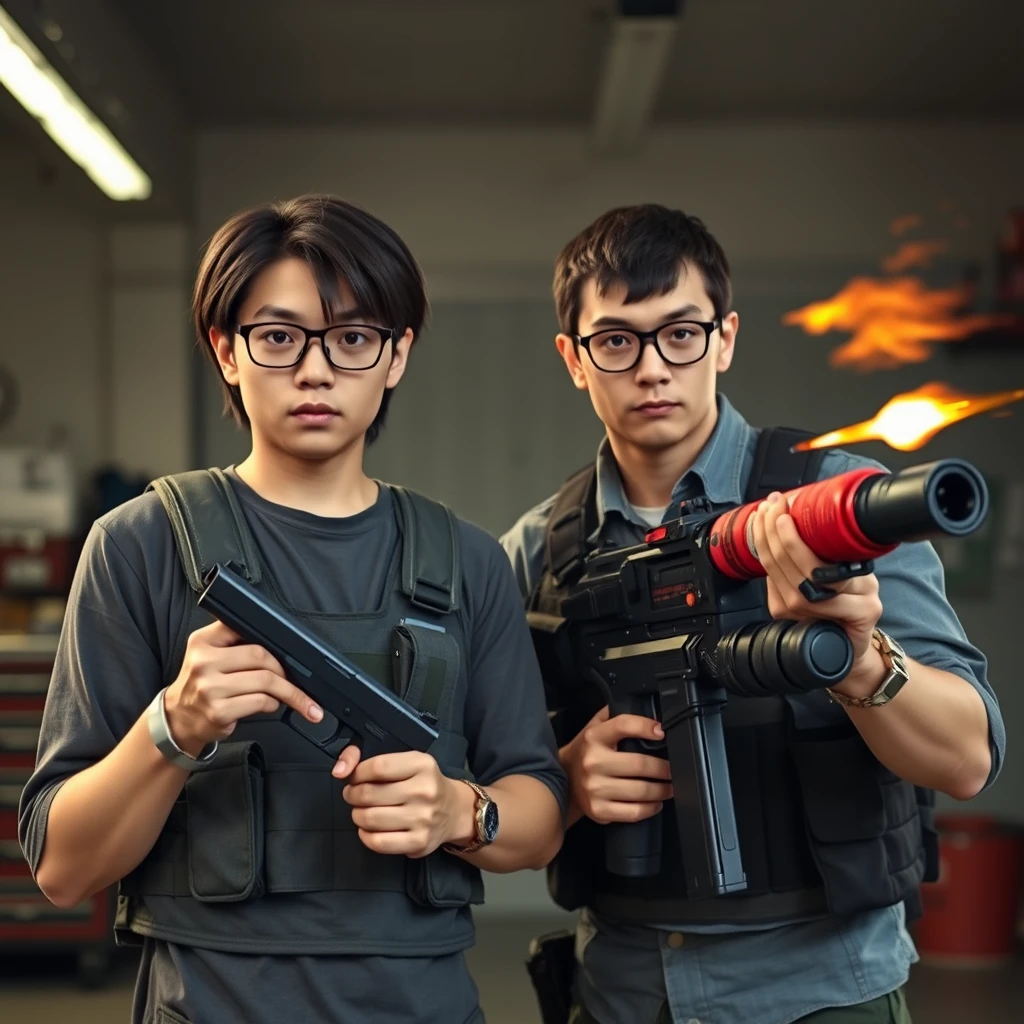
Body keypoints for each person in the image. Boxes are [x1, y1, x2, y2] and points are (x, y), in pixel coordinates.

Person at [19, 194, 567, 1024]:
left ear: (397, 357)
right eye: (278, 338)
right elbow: (62, 868)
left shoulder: (467, 562)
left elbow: (539, 820)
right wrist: (173, 726)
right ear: (226, 352)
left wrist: (461, 809)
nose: (315, 370)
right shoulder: (138, 546)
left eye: (352, 339)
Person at [501, 203, 1003, 1024]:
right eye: (617, 341)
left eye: (682, 333)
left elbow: (968, 758)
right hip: (623, 992)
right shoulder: (535, 551)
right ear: (574, 359)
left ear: (725, 337)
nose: (653, 368)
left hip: (821, 991)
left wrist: (862, 659)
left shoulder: (840, 503)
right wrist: (566, 781)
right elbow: (475, 795)